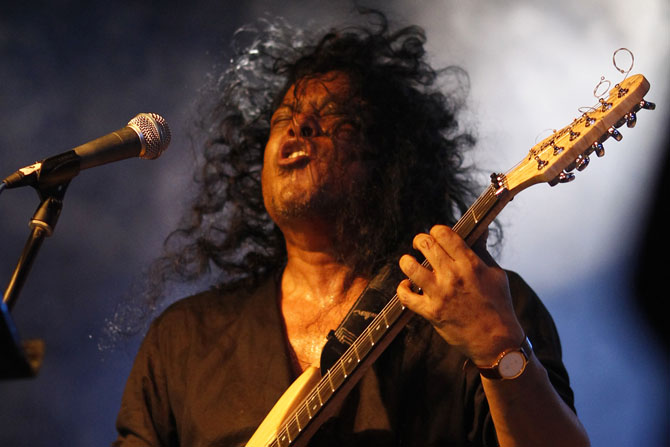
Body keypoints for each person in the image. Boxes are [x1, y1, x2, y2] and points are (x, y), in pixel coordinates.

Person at [113, 11, 590, 446]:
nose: (297, 129)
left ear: (390, 159)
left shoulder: (480, 303)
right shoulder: (185, 338)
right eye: (284, 119)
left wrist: (498, 346)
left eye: (332, 119)